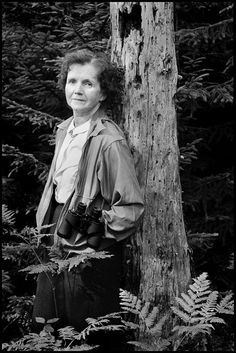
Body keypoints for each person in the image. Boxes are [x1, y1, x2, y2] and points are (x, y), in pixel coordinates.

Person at [32, 48, 144, 348]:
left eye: (88, 83)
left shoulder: (109, 141)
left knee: (92, 333)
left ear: (103, 93)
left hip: (91, 246)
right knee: (50, 324)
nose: (77, 90)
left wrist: (98, 230)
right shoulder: (65, 130)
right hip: (56, 235)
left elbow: (131, 207)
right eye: (72, 81)